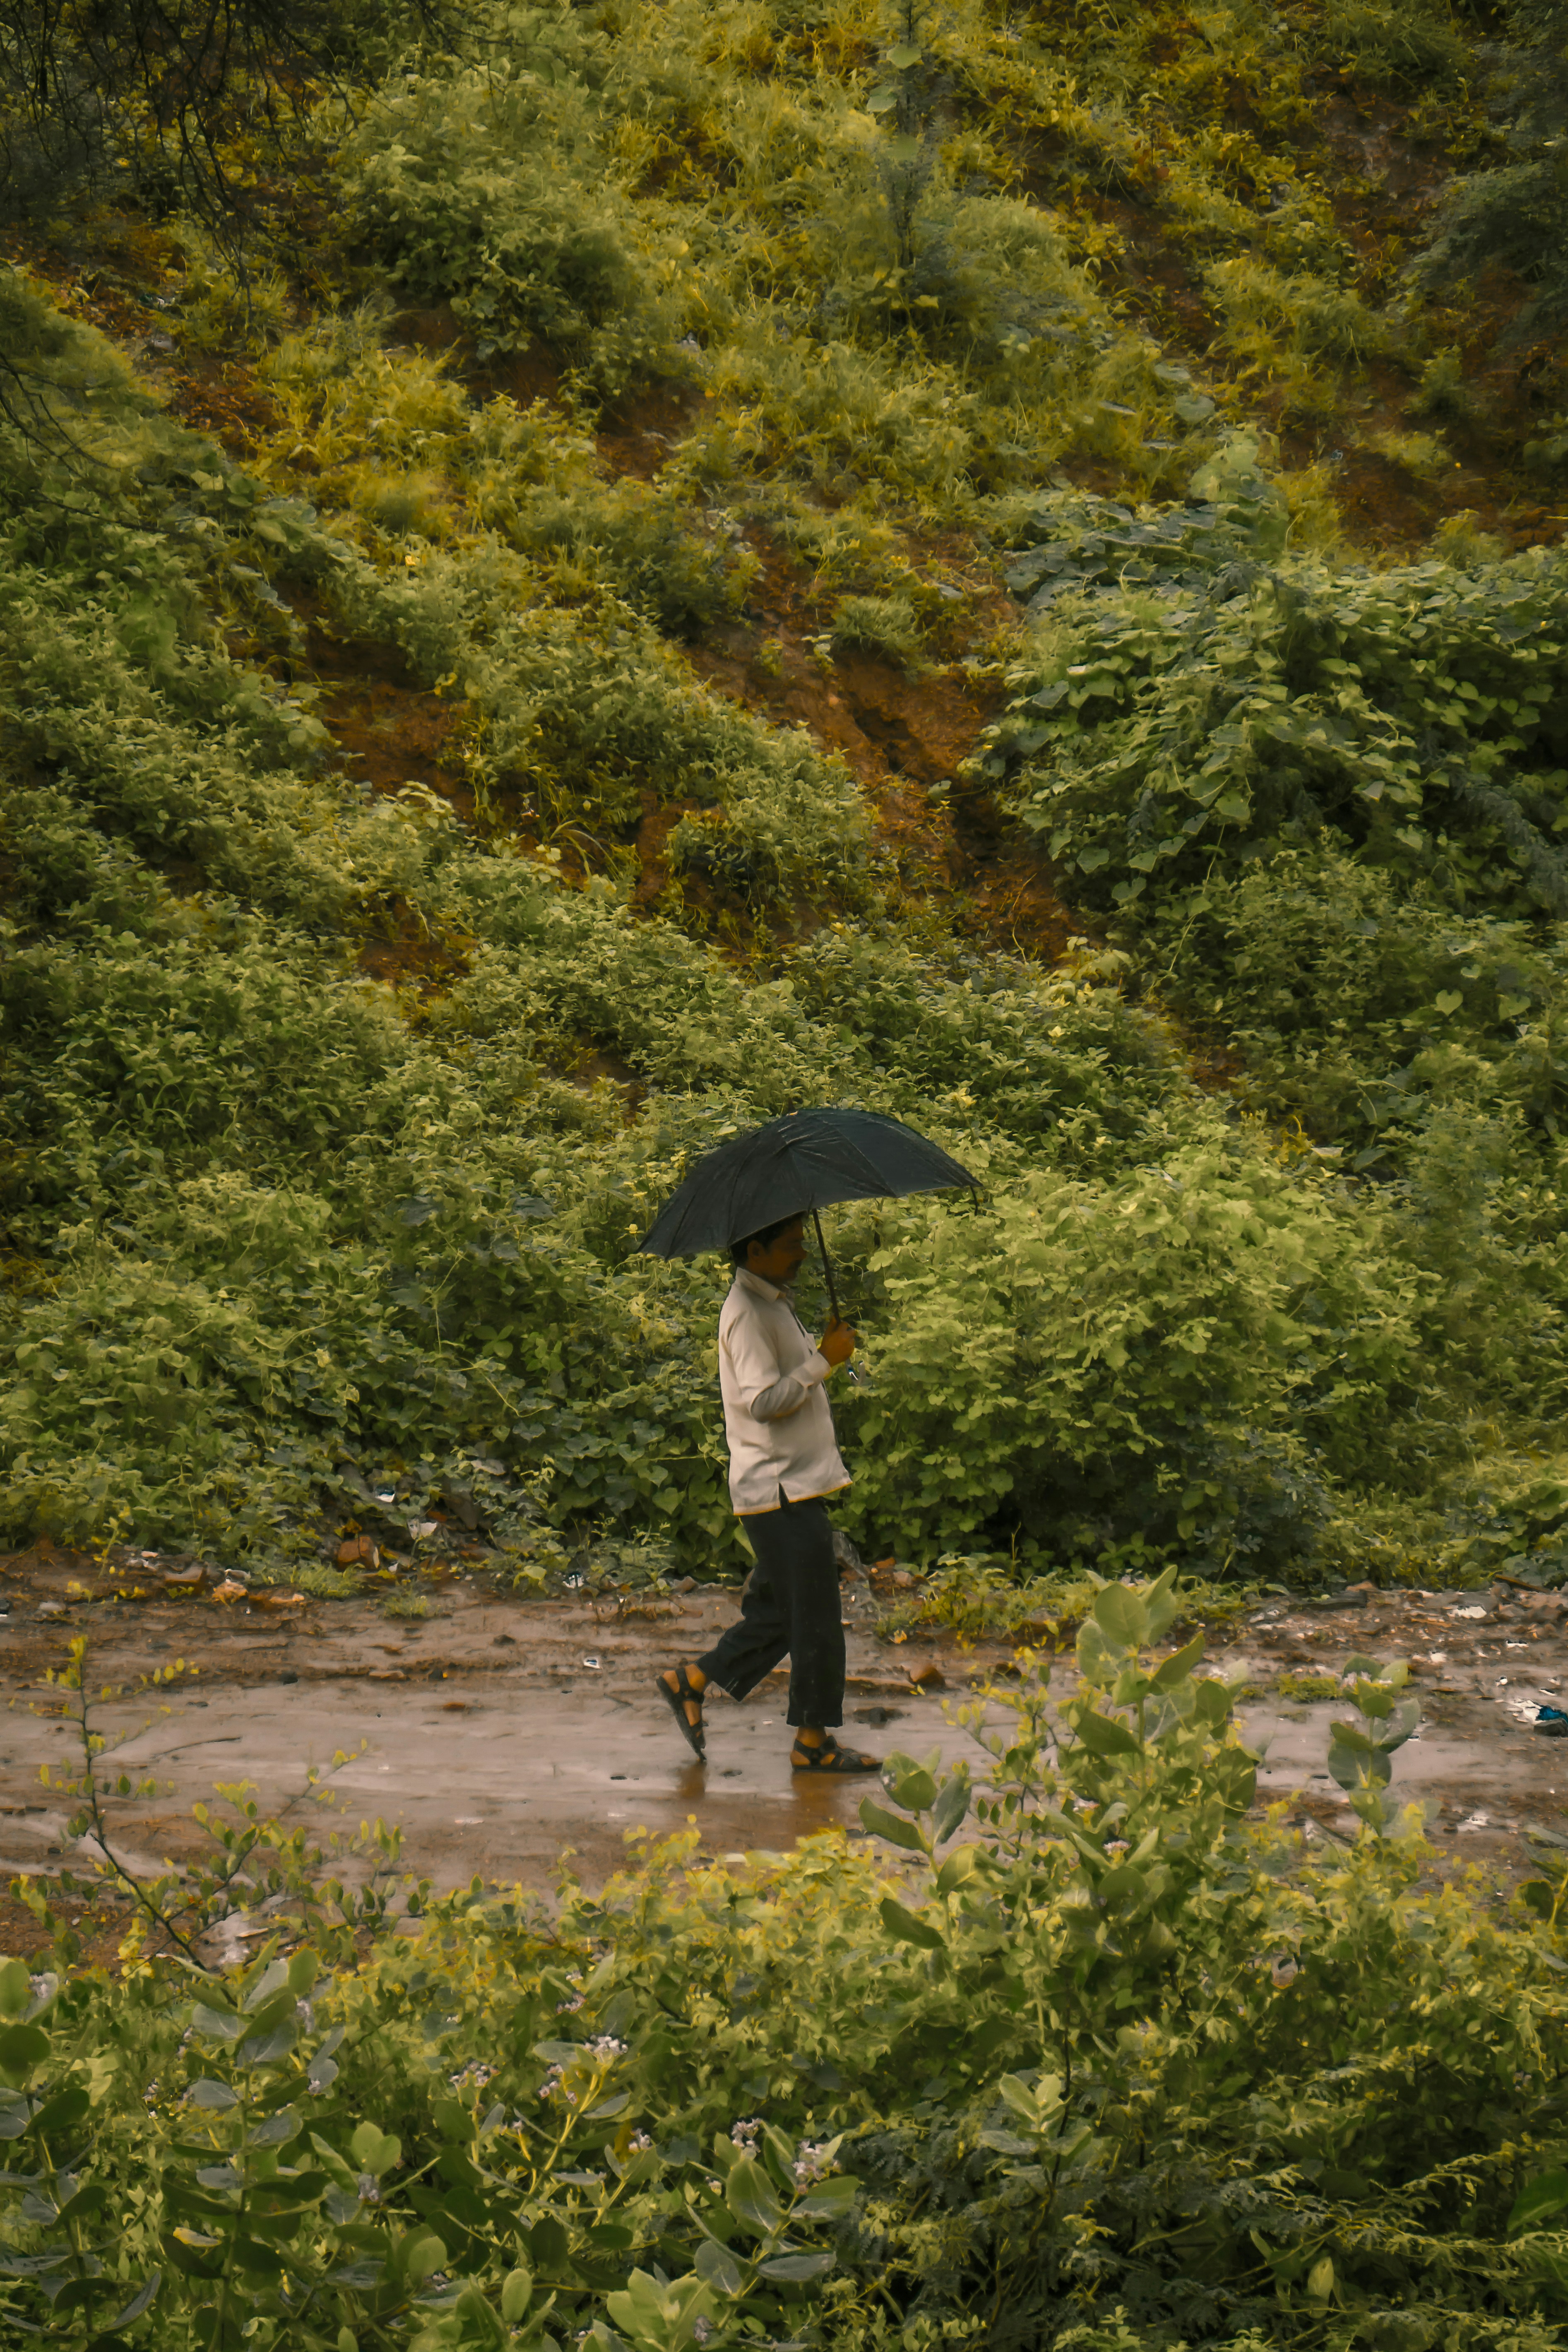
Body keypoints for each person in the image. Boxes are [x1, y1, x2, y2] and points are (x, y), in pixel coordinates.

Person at [657, 1210, 881, 1774]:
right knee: (816, 1617)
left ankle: (692, 1680)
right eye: (789, 1244)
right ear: (754, 1250)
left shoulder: (773, 1301)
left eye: (803, 1242)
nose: (801, 1253)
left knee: (785, 1614)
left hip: (790, 1483)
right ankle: (812, 1741)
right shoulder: (748, 1314)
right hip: (780, 1488)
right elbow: (762, 1401)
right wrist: (823, 1361)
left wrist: (819, 1350)